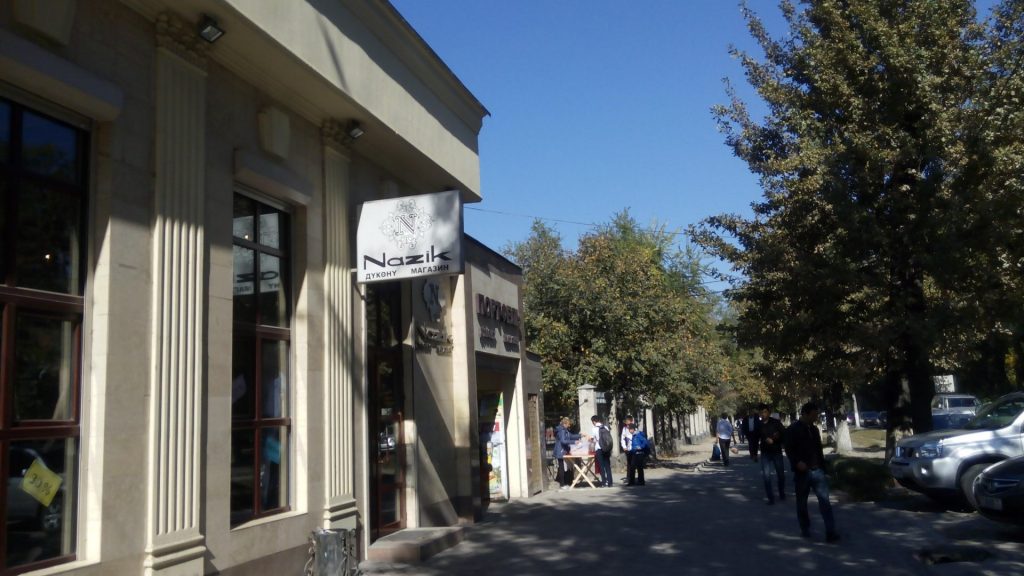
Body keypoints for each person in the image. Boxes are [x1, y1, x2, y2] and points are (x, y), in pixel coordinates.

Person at [784, 401, 840, 543]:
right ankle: (805, 527)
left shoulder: (814, 430)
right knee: (802, 503)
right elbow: (789, 450)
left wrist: (824, 467)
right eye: (813, 415)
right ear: (805, 414)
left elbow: (818, 450)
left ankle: (830, 532)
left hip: (817, 471)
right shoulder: (793, 430)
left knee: (825, 502)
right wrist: (797, 463)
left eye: (817, 415)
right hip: (802, 473)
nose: (815, 418)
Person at [759, 405, 786, 504]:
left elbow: (783, 434)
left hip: (776, 451)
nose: (763, 414)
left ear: (769, 413)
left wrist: (775, 439)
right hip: (765, 453)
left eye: (765, 412)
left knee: (781, 475)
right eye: (761, 412)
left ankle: (781, 492)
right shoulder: (759, 424)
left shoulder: (776, 423)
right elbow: (754, 438)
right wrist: (753, 453)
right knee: (766, 476)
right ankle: (771, 498)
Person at [553, 416, 581, 490]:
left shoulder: (565, 430)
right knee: (562, 468)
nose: (569, 426)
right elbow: (563, 441)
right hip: (561, 451)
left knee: (566, 467)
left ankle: (566, 482)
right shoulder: (562, 431)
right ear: (565, 423)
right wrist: (574, 442)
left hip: (563, 451)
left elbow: (571, 436)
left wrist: (580, 435)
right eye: (568, 424)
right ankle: (562, 484)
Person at [591, 414, 613, 487]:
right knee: (607, 465)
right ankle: (610, 482)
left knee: (601, 466)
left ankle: (604, 482)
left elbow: (593, 440)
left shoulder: (594, 429)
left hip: (599, 448)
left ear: (594, 421)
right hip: (606, 448)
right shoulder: (605, 427)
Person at [620, 414, 635, 483]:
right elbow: (622, 438)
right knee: (629, 463)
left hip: (634, 448)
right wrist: (624, 447)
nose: (626, 422)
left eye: (627, 421)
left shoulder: (634, 427)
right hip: (628, 448)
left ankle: (633, 478)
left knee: (633, 464)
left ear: (631, 420)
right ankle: (629, 477)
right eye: (626, 421)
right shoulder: (625, 428)